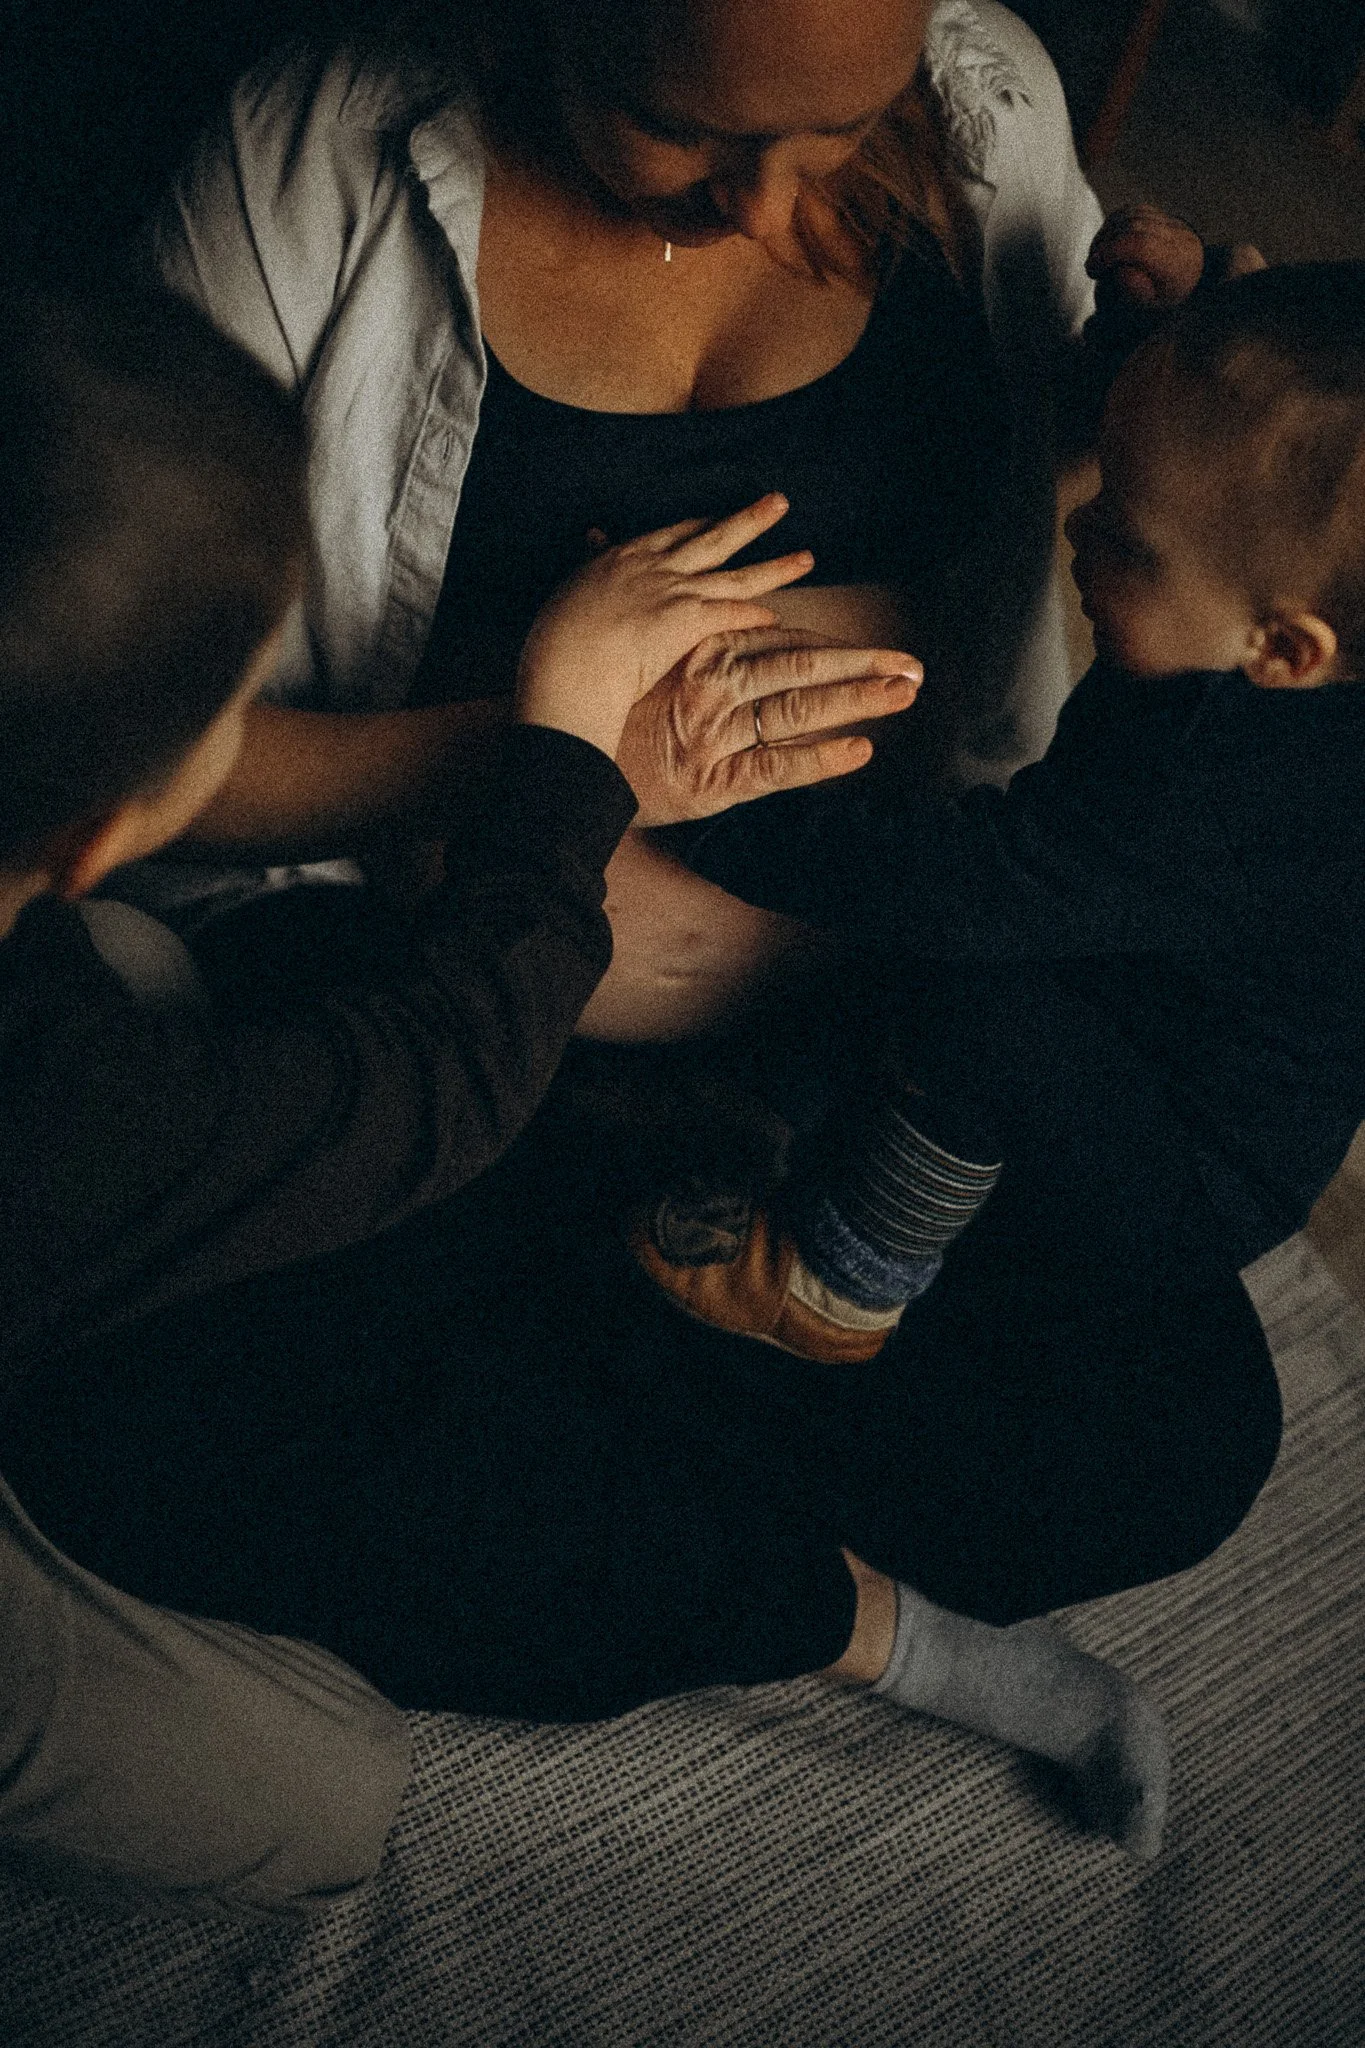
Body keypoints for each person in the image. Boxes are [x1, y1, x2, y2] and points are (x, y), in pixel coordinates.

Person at [0, 278, 860, 1911]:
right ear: (102, 824)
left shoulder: (55, 950)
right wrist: (564, 765)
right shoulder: (57, 1106)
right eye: (236, 706)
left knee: (147, 971)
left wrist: (555, 762)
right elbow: (439, 1079)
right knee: (327, 1786)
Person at [134, 0, 1227, 1040]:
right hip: (425, 1016)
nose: (759, 209)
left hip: (918, 1008)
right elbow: (123, 742)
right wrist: (556, 762)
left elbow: (1059, 503)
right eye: (671, 127)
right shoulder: (310, 157)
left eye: (841, 125)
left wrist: (1183, 415)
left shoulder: (991, 104)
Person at [635, 262, 1365, 1360]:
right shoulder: (1262, 658)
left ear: (1282, 649)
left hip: (1181, 1173)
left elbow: (963, 888)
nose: (1083, 534)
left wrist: (717, 818)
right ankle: (795, 1116)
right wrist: (1150, 328)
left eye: (1125, 540)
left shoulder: (1221, 801)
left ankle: (840, 1281)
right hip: (1124, 1012)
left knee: (975, 981)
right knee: (958, 974)